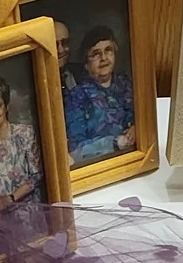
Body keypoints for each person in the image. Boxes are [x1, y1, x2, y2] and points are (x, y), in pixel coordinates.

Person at [0, 76, 44, 216]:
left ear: (6, 107)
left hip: (31, 215)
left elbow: (36, 176)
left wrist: (11, 198)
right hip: (0, 221)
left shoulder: (26, 134)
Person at [64, 27, 135, 165]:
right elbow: (75, 150)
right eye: (96, 54)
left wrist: (137, 128)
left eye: (108, 50)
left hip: (135, 158)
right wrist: (114, 143)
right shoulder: (77, 97)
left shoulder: (128, 84)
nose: (104, 58)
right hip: (101, 164)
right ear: (86, 64)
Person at [54, 21, 80, 92]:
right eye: (54, 44)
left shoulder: (82, 73)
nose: (60, 50)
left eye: (64, 43)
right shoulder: (37, 81)